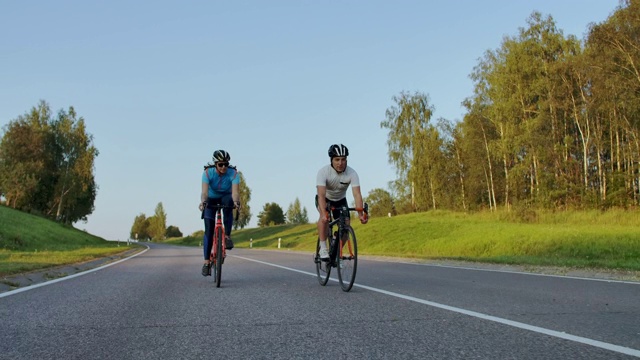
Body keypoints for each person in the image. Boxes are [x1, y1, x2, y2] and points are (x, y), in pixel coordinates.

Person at [316, 144, 368, 260]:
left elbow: (357, 194)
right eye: (337, 160)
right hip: (325, 199)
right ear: (331, 160)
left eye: (343, 159)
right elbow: (321, 195)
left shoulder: (352, 173)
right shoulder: (323, 172)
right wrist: (324, 213)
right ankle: (323, 247)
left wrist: (360, 214)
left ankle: (336, 250)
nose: (340, 163)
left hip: (340, 200)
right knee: (324, 218)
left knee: (346, 227)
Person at [199, 149, 241, 276]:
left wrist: (237, 202)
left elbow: (235, 193)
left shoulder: (233, 173)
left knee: (229, 202)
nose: (223, 167)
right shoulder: (207, 173)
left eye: (226, 164)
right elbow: (204, 192)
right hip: (211, 198)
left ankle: (227, 236)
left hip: (225, 197)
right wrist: (203, 202)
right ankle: (206, 262)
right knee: (209, 230)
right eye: (220, 164)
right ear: (215, 164)